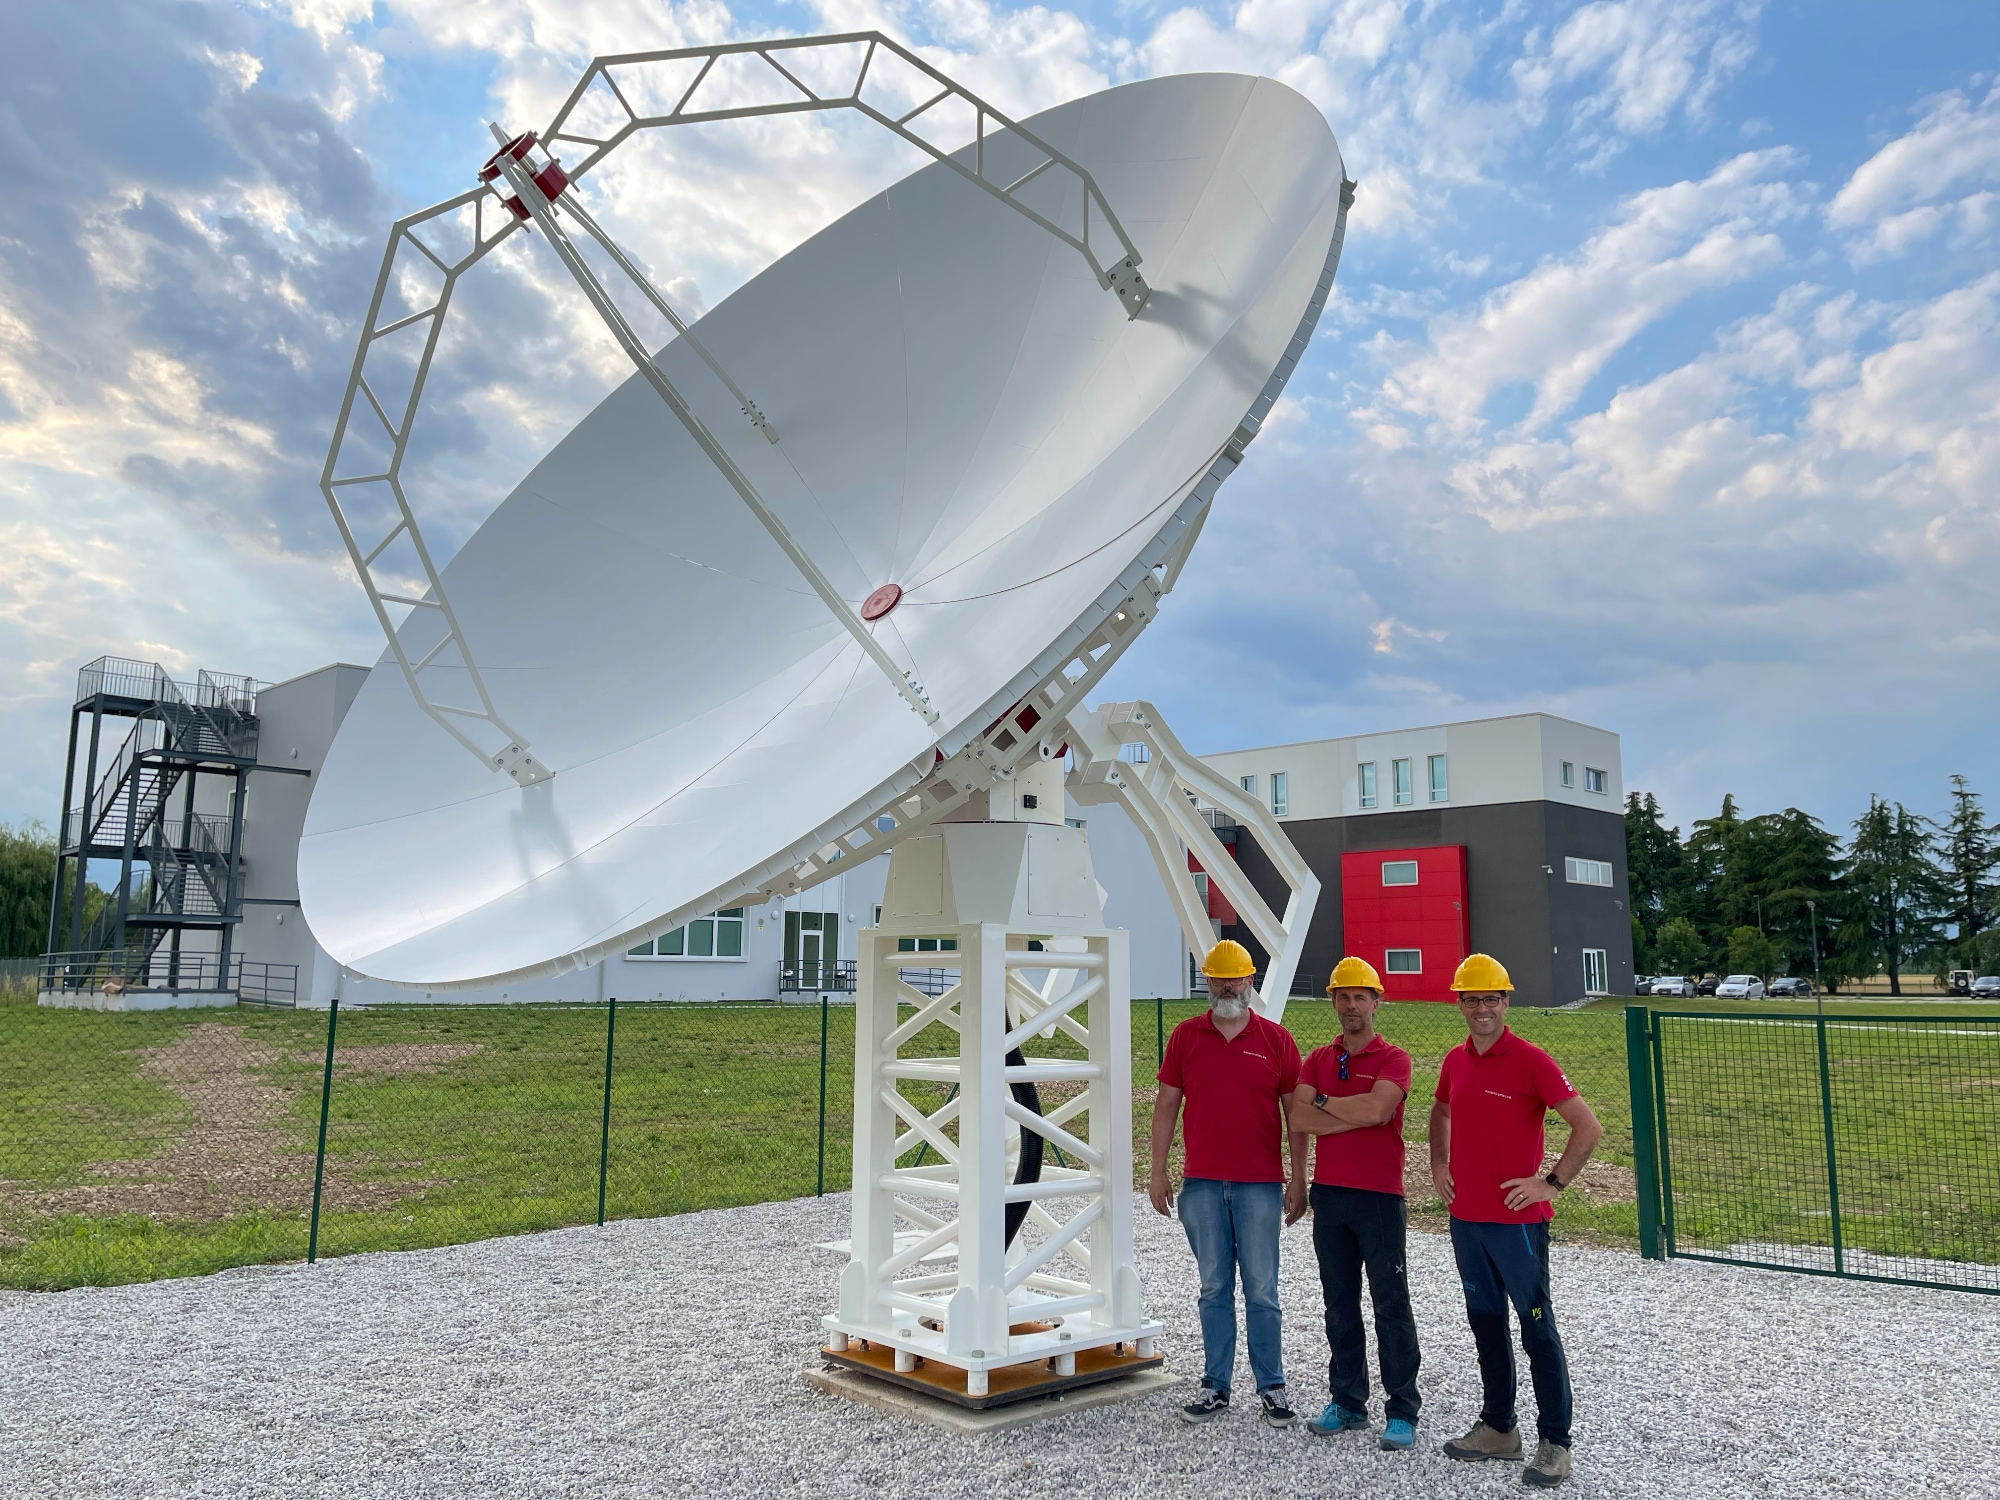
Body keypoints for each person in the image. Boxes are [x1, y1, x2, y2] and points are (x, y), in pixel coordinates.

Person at [1429, 954, 1604, 1489]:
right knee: (1484, 1322)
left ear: (1507, 1001)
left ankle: (1556, 1442)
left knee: (1535, 1328)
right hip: (1467, 1220)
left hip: (1517, 1223)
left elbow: (1588, 1128)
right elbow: (1441, 1111)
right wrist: (1439, 1162)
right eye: (1472, 999)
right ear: (1458, 1003)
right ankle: (1500, 1429)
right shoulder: (1456, 1060)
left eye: (1492, 999)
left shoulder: (1532, 1060)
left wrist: (1548, 1184)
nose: (1482, 1008)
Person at [1149, 939, 1308, 1428]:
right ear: (1207, 982)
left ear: (1251, 981)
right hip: (1201, 1185)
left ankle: (1272, 1386)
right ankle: (1215, 1385)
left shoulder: (1277, 1041)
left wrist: (1300, 1178)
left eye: (1234, 978)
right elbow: (1165, 1105)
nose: (1226, 986)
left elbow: (1296, 1117)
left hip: (1260, 1185)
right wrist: (1157, 1170)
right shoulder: (1185, 1037)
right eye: (1217, 978)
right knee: (1213, 1286)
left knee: (1262, 1289)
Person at [1286, 956, 1420, 1452]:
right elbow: (1298, 1118)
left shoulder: (1394, 1058)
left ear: (1376, 1003)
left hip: (1380, 1197)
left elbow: (1380, 1108)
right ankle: (1347, 1401)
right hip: (1331, 1195)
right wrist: (1348, 1115)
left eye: (1360, 996)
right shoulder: (1319, 1058)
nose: (1350, 1005)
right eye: (1342, 996)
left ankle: (1403, 1409)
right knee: (1339, 1304)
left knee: (1390, 1305)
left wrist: (1325, 1105)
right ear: (1334, 1002)